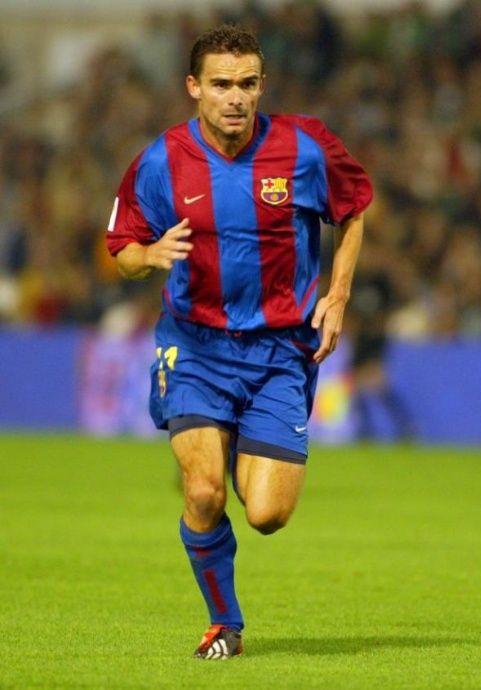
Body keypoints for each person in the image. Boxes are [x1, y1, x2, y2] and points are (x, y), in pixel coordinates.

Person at [106, 24, 372, 659]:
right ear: (194, 87)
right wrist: (149, 255)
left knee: (267, 515)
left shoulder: (304, 147)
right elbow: (121, 250)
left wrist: (338, 295)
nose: (235, 97)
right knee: (203, 492)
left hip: (280, 352)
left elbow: (354, 208)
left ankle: (228, 441)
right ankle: (224, 622)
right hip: (195, 347)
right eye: (221, 84)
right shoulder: (161, 161)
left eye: (247, 84)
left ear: (262, 86)